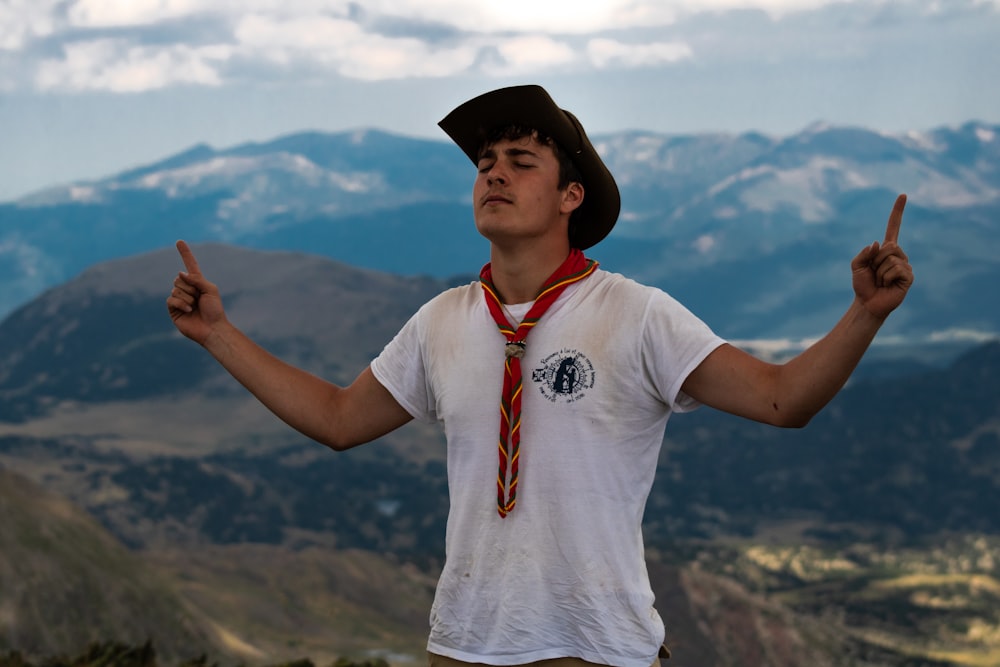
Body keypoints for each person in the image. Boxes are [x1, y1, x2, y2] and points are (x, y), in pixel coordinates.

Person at [167, 85, 913, 667]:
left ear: (570, 196)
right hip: (463, 643)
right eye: (486, 163)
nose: (494, 172)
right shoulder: (441, 321)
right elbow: (336, 418)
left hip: (596, 647)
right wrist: (218, 335)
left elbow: (782, 399)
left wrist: (865, 315)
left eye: (522, 161)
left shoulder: (637, 313)